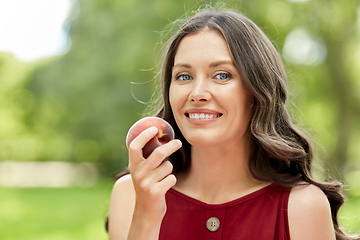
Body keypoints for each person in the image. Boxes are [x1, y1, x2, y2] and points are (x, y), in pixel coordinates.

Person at [107, 7, 359, 240]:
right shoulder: (131, 195)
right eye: (184, 76)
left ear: (257, 90)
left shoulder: (302, 206)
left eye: (222, 75)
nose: (197, 93)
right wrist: (146, 217)